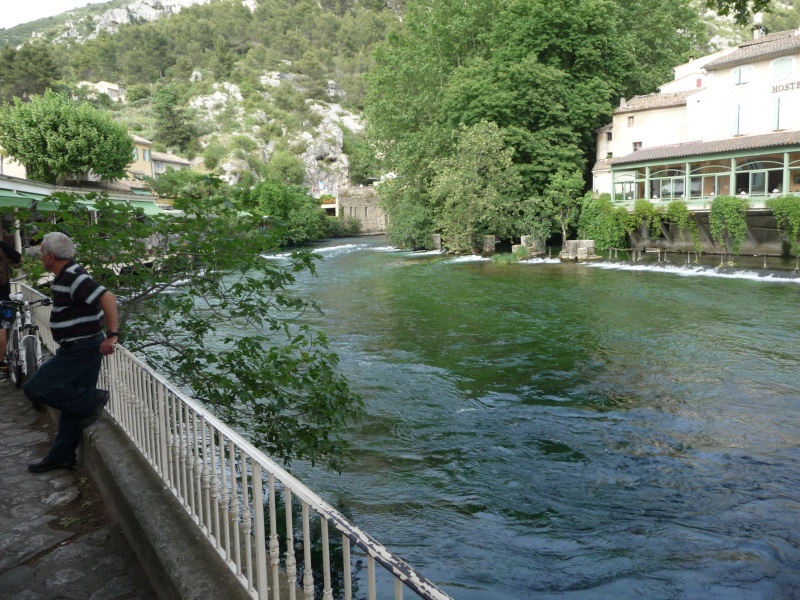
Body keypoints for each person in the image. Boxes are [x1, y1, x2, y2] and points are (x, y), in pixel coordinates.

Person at [23, 232, 119, 473]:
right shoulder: (67, 275)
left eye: (42, 253)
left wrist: (113, 334)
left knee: (34, 388)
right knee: (70, 406)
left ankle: (93, 400)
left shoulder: (74, 276)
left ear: (51, 256)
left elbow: (108, 297)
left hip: (81, 348)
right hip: (82, 345)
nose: (41, 258)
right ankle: (62, 456)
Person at [0, 237, 22, 375]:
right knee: (2, 329)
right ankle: (1, 364)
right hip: (2, 295)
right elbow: (20, 260)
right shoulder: (2, 246)